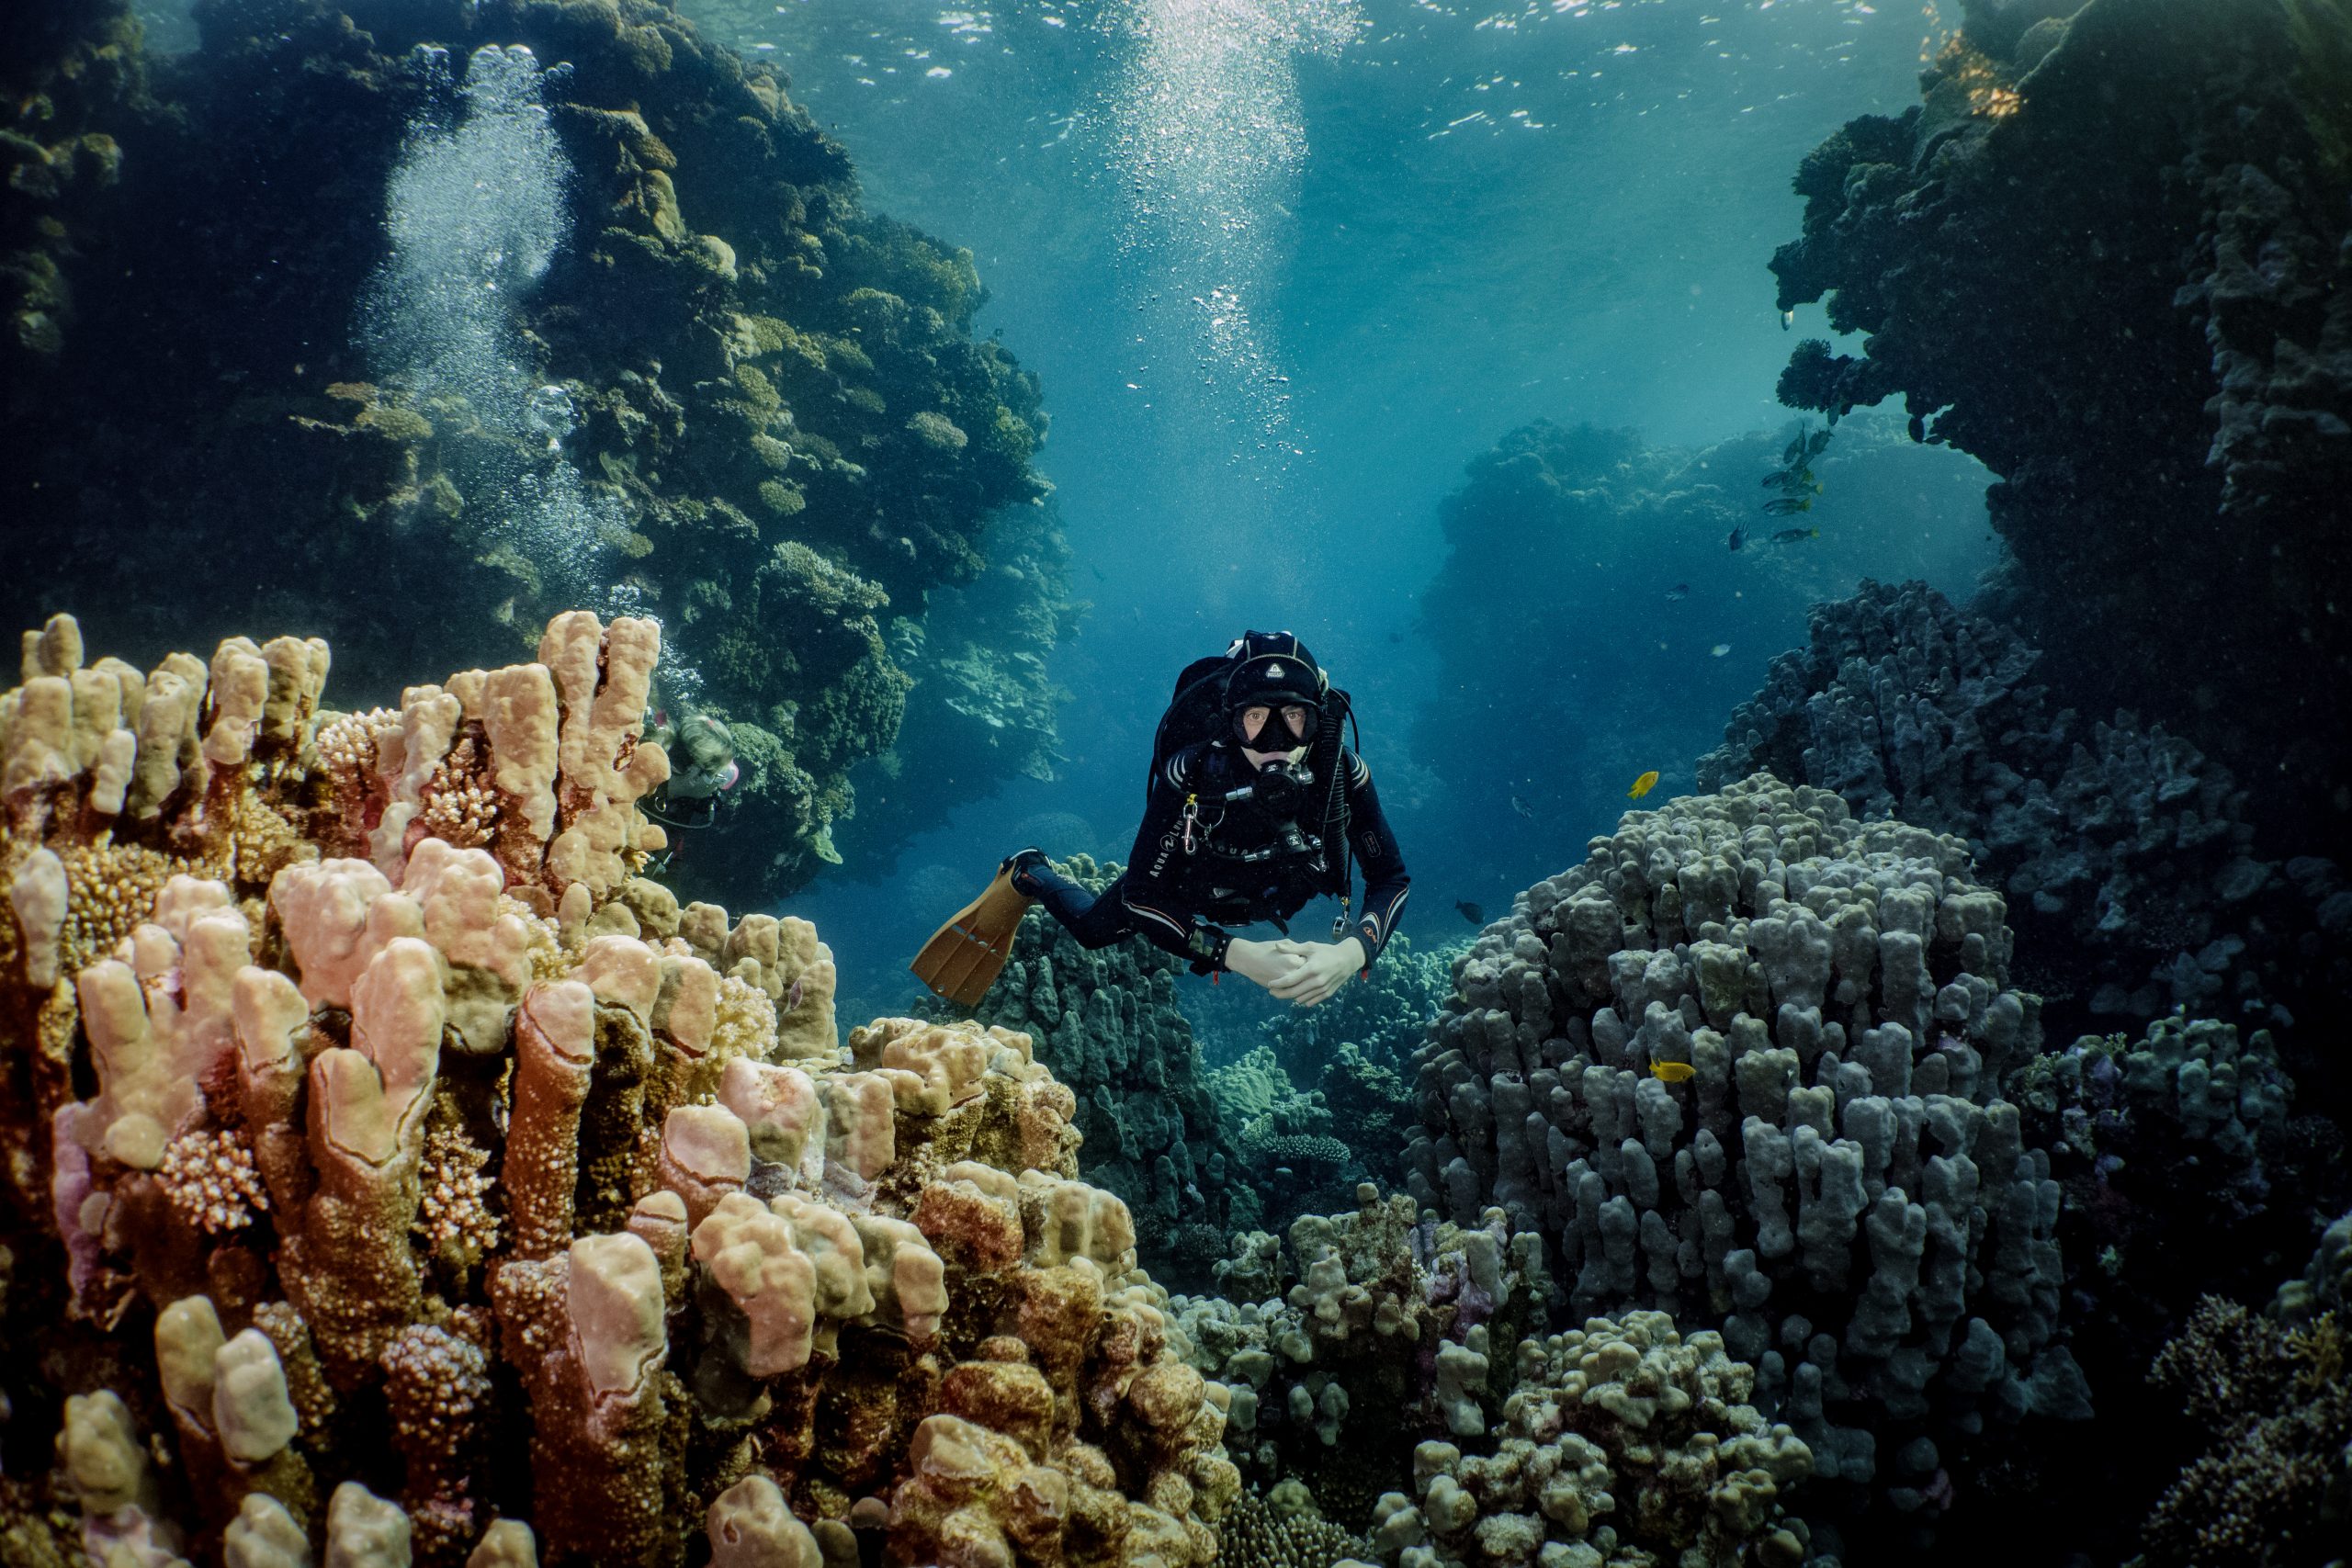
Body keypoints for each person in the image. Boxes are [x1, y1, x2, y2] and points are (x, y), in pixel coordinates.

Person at [1005, 630, 1410, 1007]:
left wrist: (1353, 952)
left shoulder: (1343, 775)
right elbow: (1142, 894)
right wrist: (1233, 953)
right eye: (1255, 717)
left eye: (1293, 716)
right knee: (1092, 931)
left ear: (1316, 721)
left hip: (1285, 893)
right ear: (1231, 722)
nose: (1274, 740)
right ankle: (1030, 870)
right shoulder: (1194, 773)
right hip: (1190, 889)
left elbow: (1389, 877)